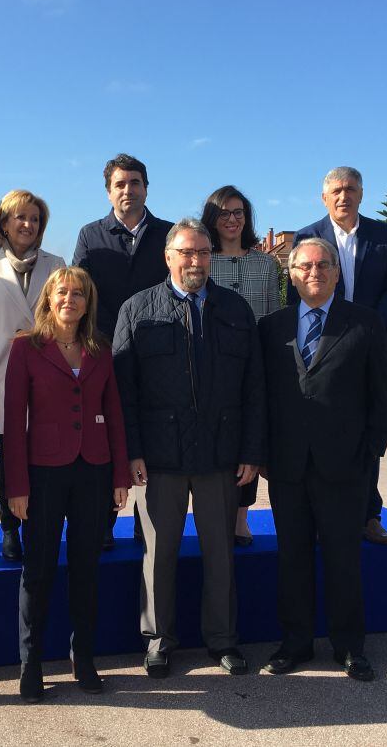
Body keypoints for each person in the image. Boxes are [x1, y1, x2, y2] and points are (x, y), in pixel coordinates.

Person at [113, 218, 266, 679]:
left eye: (202, 252)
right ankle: (159, 640)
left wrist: (251, 451)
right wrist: (133, 451)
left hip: (222, 453)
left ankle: (222, 640)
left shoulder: (236, 310)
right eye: (186, 252)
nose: (195, 260)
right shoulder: (138, 310)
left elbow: (254, 389)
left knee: (220, 552)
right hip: (160, 457)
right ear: (168, 257)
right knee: (158, 554)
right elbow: (125, 392)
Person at [259, 237, 387, 680]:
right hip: (288, 466)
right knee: (291, 559)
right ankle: (294, 644)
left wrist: (370, 454)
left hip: (345, 467)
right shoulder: (271, 327)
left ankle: (349, 647)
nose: (312, 273)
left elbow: (381, 397)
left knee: (343, 560)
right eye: (303, 266)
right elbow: (261, 398)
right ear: (291, 274)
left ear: (337, 272)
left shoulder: (367, 324)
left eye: (322, 265)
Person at [3, 267, 131, 702]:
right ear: (49, 298)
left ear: (87, 302)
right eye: (63, 292)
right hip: (42, 472)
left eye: (79, 293)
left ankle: (84, 656)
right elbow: (13, 424)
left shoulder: (100, 348)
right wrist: (15, 485)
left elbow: (113, 413)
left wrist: (119, 476)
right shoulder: (25, 348)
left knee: (85, 568)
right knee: (37, 570)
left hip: (93, 470)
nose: (70, 299)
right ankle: (31, 661)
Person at [291, 167, 387, 546]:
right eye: (336, 190)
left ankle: (370, 515)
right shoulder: (308, 236)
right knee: (325, 430)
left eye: (351, 189)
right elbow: (297, 293)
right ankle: (321, 512)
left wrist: (370, 329)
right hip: (323, 348)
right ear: (324, 198)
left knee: (367, 428)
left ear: (361, 194)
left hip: (367, 344)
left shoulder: (382, 235)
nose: (344, 196)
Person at [73, 153, 174, 549]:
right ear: (108, 190)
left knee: (148, 438)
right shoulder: (90, 235)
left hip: (157, 355)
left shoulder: (169, 234)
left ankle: (143, 524)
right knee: (106, 437)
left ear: (146, 188)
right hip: (105, 353)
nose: (128, 190)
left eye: (135, 183)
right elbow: (80, 293)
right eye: (120, 184)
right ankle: (103, 523)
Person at [0, 190, 66, 562]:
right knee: (9, 451)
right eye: (20, 217)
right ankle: (9, 527)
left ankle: (41, 519)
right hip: (2, 370)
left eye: (35, 219)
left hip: (46, 371)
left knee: (43, 447)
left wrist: (42, 340)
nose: (28, 225)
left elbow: (65, 312)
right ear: (4, 223)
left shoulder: (56, 265)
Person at [201, 185, 279, 547]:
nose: (231, 220)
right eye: (224, 213)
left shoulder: (265, 263)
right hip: (212, 364)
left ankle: (241, 517)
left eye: (238, 213)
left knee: (250, 441)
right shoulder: (203, 260)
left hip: (254, 361)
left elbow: (273, 314)